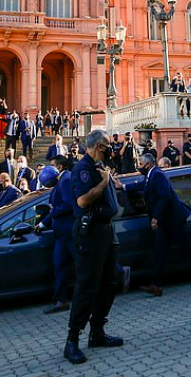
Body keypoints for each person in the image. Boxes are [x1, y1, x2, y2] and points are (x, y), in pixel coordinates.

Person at [63, 130, 125, 365]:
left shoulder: (100, 167)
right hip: (90, 232)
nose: (111, 149)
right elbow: (82, 200)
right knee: (87, 285)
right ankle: (72, 340)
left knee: (109, 283)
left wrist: (110, 182)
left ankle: (97, 331)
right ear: (99, 146)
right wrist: (104, 183)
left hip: (106, 230)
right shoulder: (83, 168)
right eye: (108, 145)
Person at [124, 153, 191, 297]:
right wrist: (123, 186)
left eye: (140, 164)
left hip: (173, 219)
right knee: (159, 252)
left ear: (148, 164)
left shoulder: (158, 175)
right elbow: (142, 185)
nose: (139, 167)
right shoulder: (151, 175)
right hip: (164, 222)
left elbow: (164, 197)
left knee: (188, 247)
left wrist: (155, 217)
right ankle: (156, 285)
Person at [36, 159, 74, 314]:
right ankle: (61, 300)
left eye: (52, 165)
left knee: (84, 263)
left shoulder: (66, 179)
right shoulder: (61, 181)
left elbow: (67, 205)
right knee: (59, 265)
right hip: (61, 234)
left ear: (59, 166)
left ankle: (117, 272)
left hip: (69, 232)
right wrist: (42, 224)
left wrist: (54, 212)